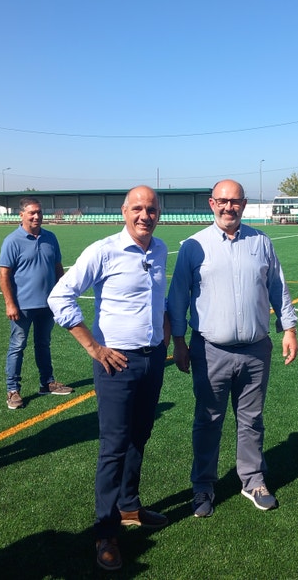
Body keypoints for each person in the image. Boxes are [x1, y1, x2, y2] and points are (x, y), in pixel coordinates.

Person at [48, 185, 169, 572]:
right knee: (114, 446)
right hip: (116, 364)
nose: (145, 215)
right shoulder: (103, 251)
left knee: (140, 436)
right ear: (124, 211)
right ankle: (105, 532)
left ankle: (129, 506)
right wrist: (93, 347)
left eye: (151, 209)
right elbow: (59, 296)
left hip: (152, 360)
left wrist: (166, 339)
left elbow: (159, 301)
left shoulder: (160, 249)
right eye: (137, 208)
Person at [167, 179, 298, 519]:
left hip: (256, 350)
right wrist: (178, 341)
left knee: (251, 419)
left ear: (244, 204)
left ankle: (253, 480)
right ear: (212, 204)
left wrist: (289, 328)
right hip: (210, 350)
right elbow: (178, 296)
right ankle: (203, 486)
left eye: (235, 201)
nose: (229, 207)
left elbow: (277, 286)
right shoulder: (194, 245)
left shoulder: (261, 242)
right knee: (208, 419)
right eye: (222, 201)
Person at [0, 197, 73, 410]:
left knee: (43, 344)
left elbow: (58, 267)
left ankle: (47, 383)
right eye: (31, 212)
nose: (36, 216)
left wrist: (62, 295)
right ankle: (13, 390)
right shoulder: (12, 241)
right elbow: (4, 275)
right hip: (22, 306)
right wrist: (10, 303)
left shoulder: (50, 237)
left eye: (39, 212)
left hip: (47, 305)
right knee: (17, 346)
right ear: (21, 215)